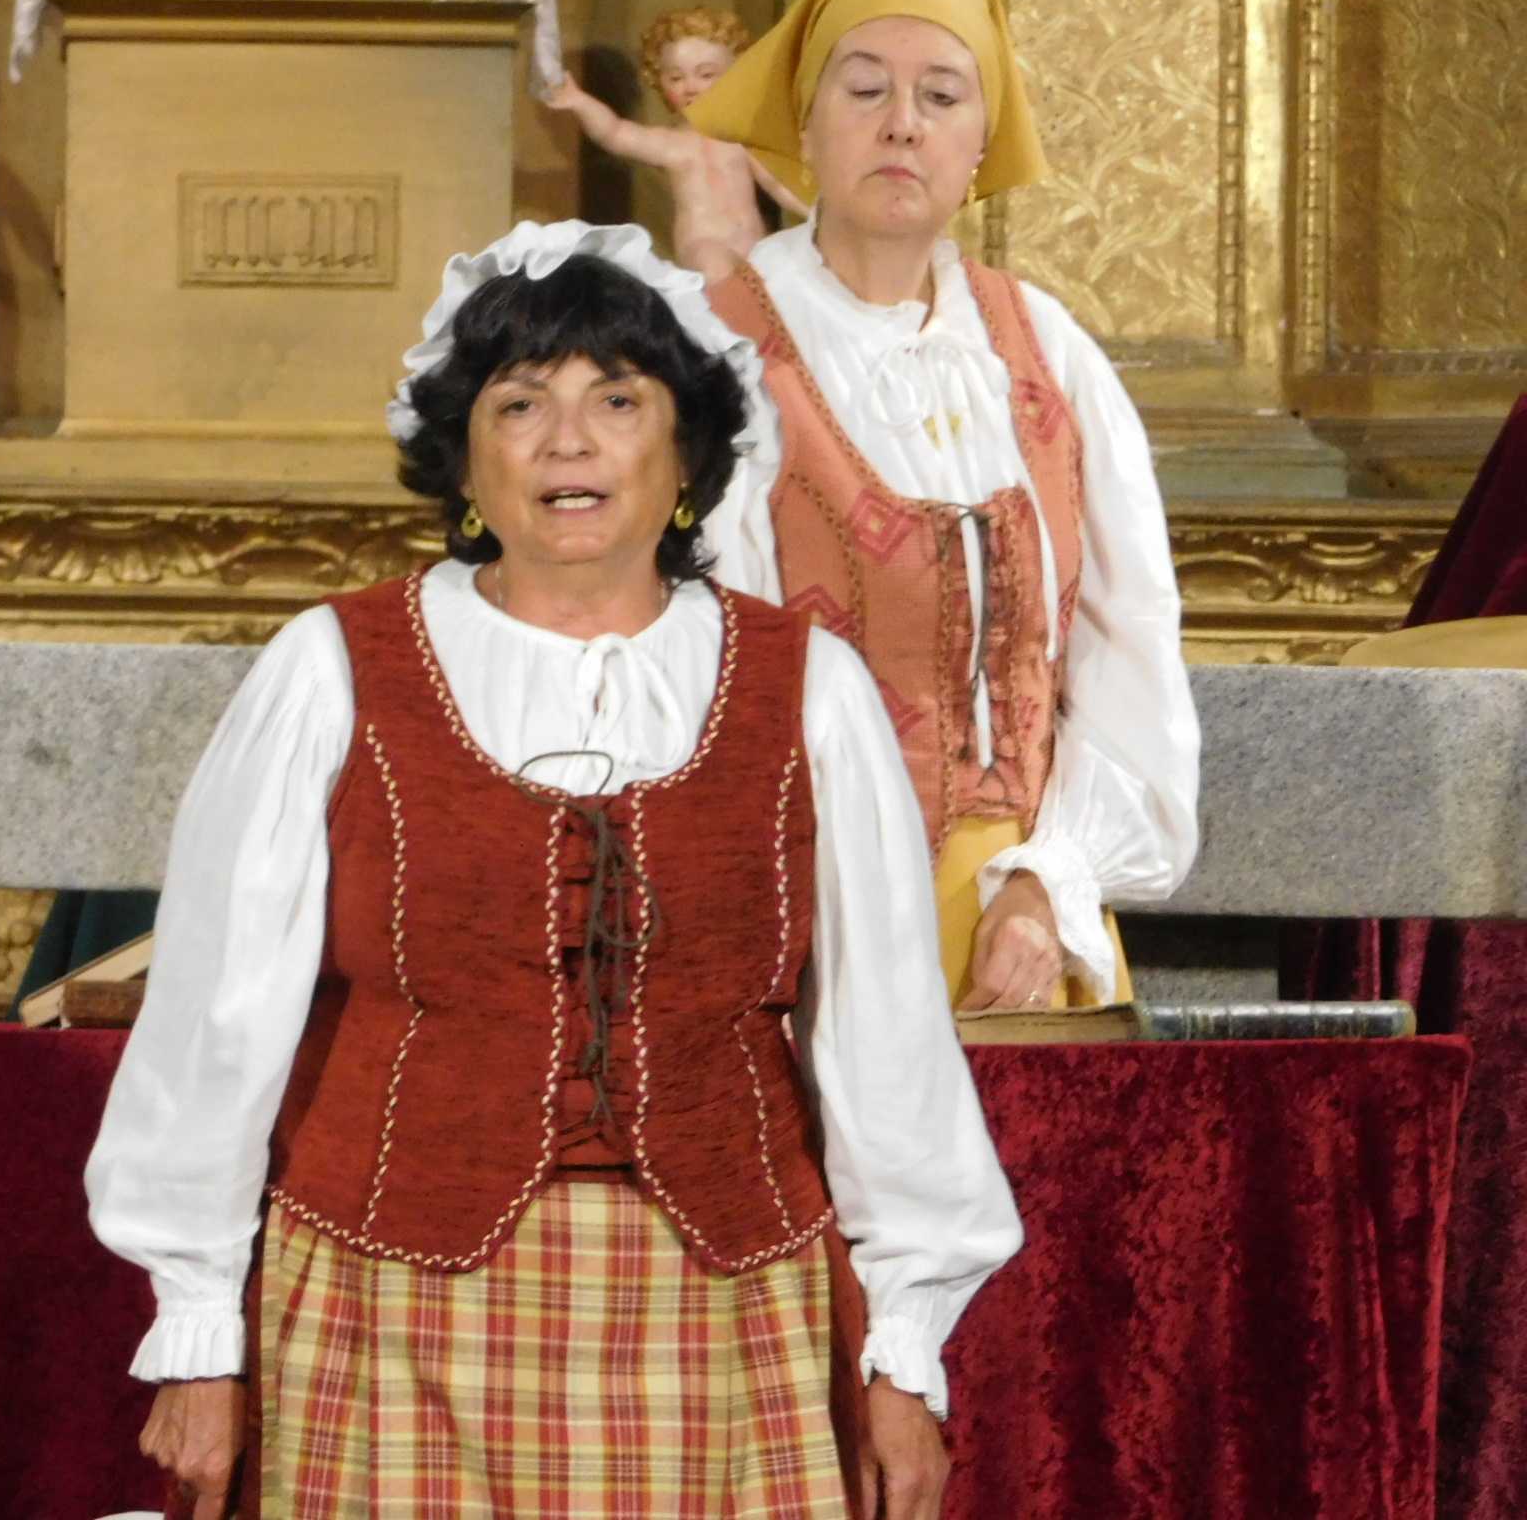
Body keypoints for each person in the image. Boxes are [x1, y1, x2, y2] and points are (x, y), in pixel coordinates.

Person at [86, 220, 1020, 1519]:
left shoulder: (809, 689)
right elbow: (214, 1019)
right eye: (520, 404)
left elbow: (885, 1037)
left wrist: (903, 1348)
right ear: (465, 459)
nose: (567, 441)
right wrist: (198, 1326)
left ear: (685, 454)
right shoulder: (332, 668)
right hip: (388, 1305)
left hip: (726, 1311)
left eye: (616, 401)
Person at [685, 0, 1200, 1014]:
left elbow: (1127, 642)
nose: (902, 124)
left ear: (979, 146)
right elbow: (703, 673)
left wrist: (1051, 885)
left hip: (1026, 928)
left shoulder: (1045, 349)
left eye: (941, 96)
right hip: (803, 926)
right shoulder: (715, 350)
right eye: (864, 88)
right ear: (805, 125)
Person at [542, 8, 804, 281]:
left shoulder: (742, 140)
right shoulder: (670, 144)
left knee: (784, 267)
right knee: (713, 262)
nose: (690, 87)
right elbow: (614, 132)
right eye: (676, 78)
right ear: (659, 81)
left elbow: (777, 184)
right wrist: (580, 101)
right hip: (702, 246)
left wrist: (816, 213)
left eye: (706, 74)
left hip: (754, 246)